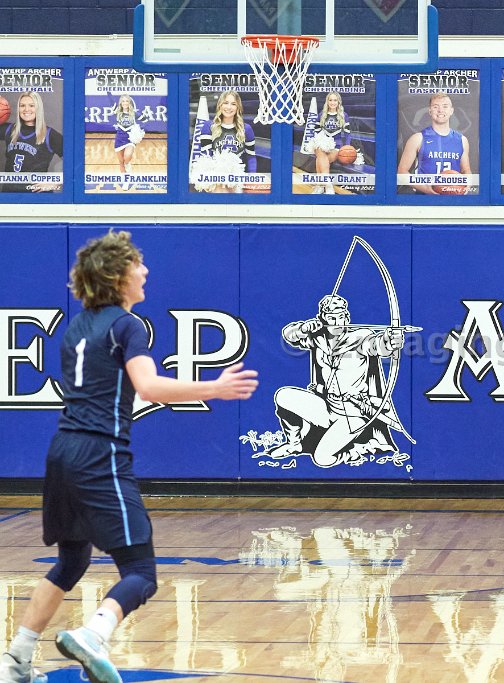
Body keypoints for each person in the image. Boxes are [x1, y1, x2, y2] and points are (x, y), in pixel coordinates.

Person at [0, 231, 258, 683]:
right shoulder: (127, 325)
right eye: (138, 264)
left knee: (71, 562)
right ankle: (93, 635)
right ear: (118, 276)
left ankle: (15, 660)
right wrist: (214, 388)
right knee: (141, 571)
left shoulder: (77, 327)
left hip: (61, 453)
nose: (145, 271)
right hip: (99, 454)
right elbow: (149, 387)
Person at [267, 294, 408, 468]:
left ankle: (356, 450)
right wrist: (302, 328)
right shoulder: (318, 338)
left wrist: (390, 341)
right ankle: (294, 443)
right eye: (331, 318)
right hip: (327, 406)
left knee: (322, 459)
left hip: (352, 414)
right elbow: (288, 335)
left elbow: (378, 346)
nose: (337, 322)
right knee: (283, 396)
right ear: (322, 319)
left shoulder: (360, 338)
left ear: (347, 317)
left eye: (340, 317)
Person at [397, 92, 472, 195]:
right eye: (436, 107)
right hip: (424, 199)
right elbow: (401, 173)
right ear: (430, 111)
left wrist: (467, 184)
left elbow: (466, 170)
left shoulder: (462, 140)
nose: (440, 110)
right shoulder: (418, 138)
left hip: (452, 199)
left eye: (445, 106)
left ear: (451, 111)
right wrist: (425, 188)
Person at [1, 91, 64, 193]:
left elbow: (76, 161)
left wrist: (56, 182)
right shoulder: (9, 129)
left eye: (31, 105)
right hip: (9, 194)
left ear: (38, 108)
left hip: (36, 196)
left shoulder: (49, 134)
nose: (26, 109)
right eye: (22, 105)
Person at [199, 90, 256, 172]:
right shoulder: (209, 126)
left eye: (233, 104)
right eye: (226, 103)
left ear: (238, 107)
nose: (229, 107)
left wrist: (252, 176)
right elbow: (206, 157)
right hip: (214, 175)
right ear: (220, 105)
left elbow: (251, 157)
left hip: (237, 176)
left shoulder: (246, 128)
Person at [310, 91, 350, 195]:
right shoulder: (321, 115)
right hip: (321, 145)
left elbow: (347, 134)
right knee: (319, 150)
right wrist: (321, 141)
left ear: (338, 102)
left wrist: (347, 147)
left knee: (321, 160)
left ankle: (320, 185)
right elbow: (316, 132)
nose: (332, 102)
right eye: (330, 100)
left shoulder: (344, 115)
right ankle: (328, 185)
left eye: (335, 100)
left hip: (336, 146)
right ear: (327, 101)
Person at [113, 95, 139, 190]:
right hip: (119, 139)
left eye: (127, 101)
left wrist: (138, 131)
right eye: (123, 101)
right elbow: (110, 98)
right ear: (120, 103)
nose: (125, 103)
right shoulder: (117, 112)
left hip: (130, 140)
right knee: (121, 162)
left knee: (127, 158)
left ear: (129, 103)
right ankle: (126, 181)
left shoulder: (134, 113)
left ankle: (128, 177)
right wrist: (107, 91)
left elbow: (146, 120)